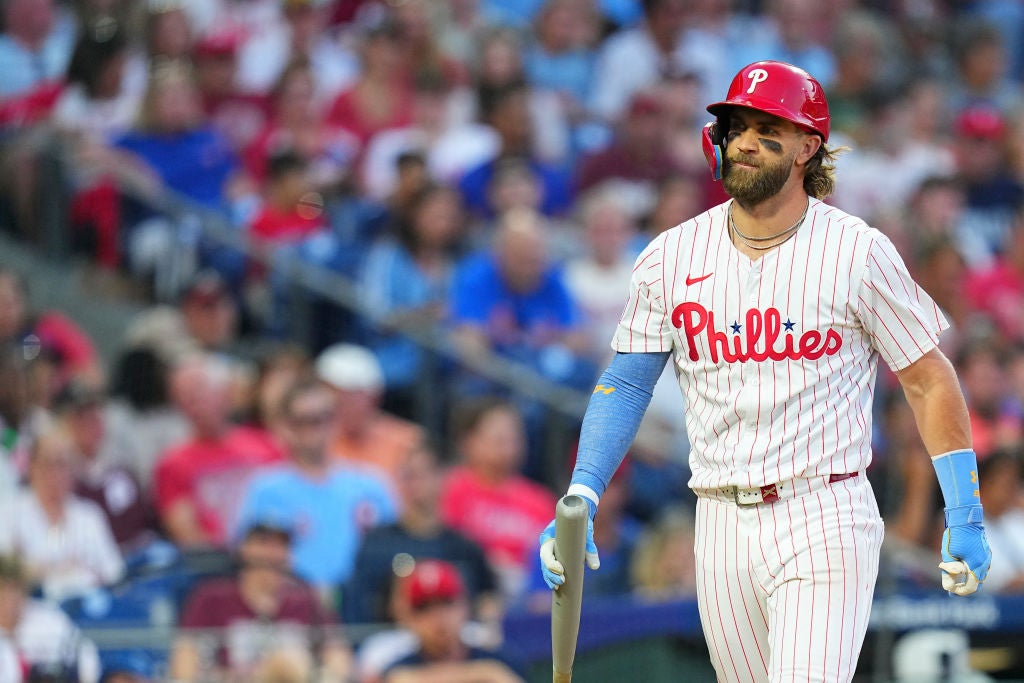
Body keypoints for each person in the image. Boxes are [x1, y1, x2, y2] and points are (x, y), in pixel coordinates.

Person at [538, 60, 994, 683]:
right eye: (736, 126)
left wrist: (963, 509)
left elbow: (927, 378)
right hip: (719, 517)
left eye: (766, 128)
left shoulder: (857, 251)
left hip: (823, 508)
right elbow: (626, 380)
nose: (745, 142)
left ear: (809, 147)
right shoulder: (669, 256)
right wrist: (584, 492)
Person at [234, 377, 397, 594]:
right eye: (304, 421)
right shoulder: (266, 489)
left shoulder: (371, 484)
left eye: (323, 418)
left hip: (362, 602)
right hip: (291, 604)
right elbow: (249, 559)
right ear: (286, 426)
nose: (315, 430)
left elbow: (396, 549)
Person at [169, 515, 352, 683]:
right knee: (286, 662)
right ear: (243, 549)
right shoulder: (212, 597)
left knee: (291, 662)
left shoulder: (305, 598)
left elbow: (338, 656)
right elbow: (185, 662)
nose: (272, 553)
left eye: (281, 545)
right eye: (264, 543)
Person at [0, 426, 124, 601]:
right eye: (49, 463)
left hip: (88, 612)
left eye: (63, 464)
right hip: (32, 614)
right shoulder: (9, 512)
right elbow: (5, 569)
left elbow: (114, 572)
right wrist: (51, 570)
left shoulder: (90, 515)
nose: (56, 473)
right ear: (32, 466)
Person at [380, 559, 526, 683]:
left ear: (465, 605)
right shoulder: (395, 667)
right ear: (408, 618)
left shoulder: (503, 661)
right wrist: (485, 673)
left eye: (446, 603)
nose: (438, 617)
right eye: (424, 608)